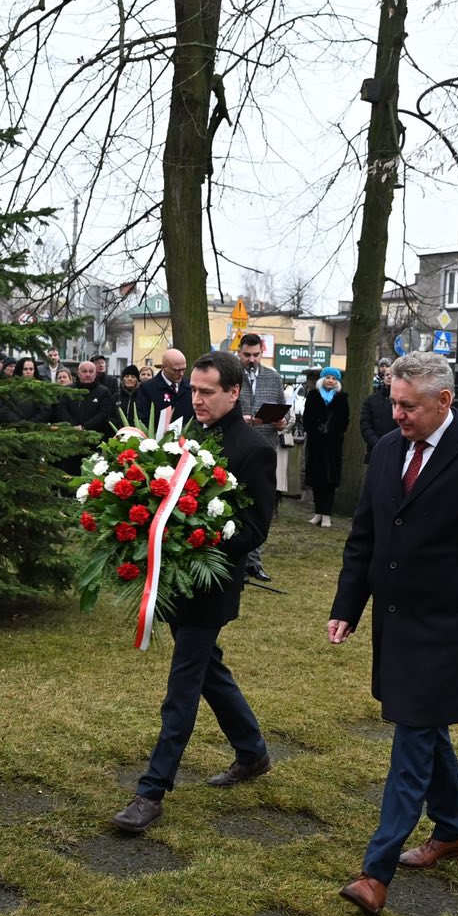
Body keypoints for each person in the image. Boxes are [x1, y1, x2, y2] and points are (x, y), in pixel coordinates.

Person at [326, 351, 458, 916]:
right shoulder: (388, 449)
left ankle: (375, 871)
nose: (397, 414)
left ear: (445, 401)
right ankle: (456, 830)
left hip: (447, 628)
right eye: (392, 401)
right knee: (426, 728)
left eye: (408, 405)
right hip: (395, 622)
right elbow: (366, 536)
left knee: (411, 740)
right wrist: (349, 605)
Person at [112, 351, 279, 834]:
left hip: (211, 585)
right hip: (177, 578)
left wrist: (200, 535)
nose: (197, 399)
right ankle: (252, 752)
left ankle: (151, 791)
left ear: (233, 392)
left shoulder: (253, 449)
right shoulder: (186, 433)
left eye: (207, 392)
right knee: (207, 670)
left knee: (183, 684)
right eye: (194, 390)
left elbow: (254, 528)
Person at [236, 334, 288, 581]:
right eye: (247, 355)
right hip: (238, 447)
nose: (252, 360)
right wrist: (242, 419)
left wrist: (283, 422)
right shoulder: (231, 376)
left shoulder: (273, 377)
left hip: (266, 448)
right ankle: (237, 560)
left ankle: (254, 562)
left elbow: (288, 414)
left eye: (256, 355)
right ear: (239, 353)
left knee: (261, 506)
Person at [302, 366, 351, 527]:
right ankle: (318, 513)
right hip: (316, 445)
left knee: (330, 481)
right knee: (317, 479)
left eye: (334, 378)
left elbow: (344, 421)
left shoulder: (341, 398)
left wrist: (331, 433)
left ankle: (327, 514)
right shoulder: (313, 396)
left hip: (333, 445)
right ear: (322, 380)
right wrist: (317, 431)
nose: (330, 381)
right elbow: (307, 419)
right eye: (328, 377)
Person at [136, 347, 193, 427]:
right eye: (176, 370)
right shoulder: (147, 388)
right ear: (163, 367)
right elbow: (142, 420)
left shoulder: (190, 386)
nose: (181, 374)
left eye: (183, 369)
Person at [360, 358, 397, 459]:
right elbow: (365, 424)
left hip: (396, 450)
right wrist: (376, 443)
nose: (389, 376)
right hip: (375, 449)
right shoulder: (371, 400)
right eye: (387, 375)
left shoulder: (403, 400)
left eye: (392, 375)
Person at [69, 359, 118, 432]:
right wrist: (73, 426)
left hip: (95, 434)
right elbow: (62, 409)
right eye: (84, 371)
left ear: (95, 374)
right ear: (78, 373)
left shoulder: (104, 392)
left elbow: (103, 414)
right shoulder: (69, 390)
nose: (88, 374)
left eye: (91, 371)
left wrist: (84, 427)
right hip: (71, 432)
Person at [115, 364, 156, 431]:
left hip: (138, 433)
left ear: (137, 379)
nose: (130, 379)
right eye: (127, 376)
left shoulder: (142, 396)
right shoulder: (116, 396)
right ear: (123, 378)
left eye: (133, 377)